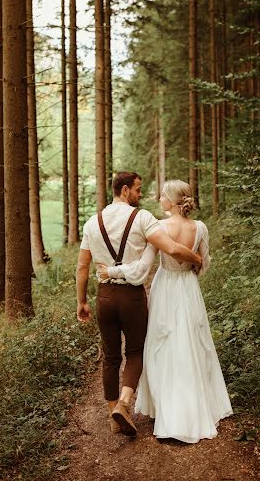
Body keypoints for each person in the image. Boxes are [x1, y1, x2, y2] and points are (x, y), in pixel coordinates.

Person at [97, 179, 233, 443]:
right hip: (188, 286)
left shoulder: (158, 227)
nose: (159, 199)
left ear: (171, 200)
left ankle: (165, 408)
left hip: (165, 285)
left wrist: (111, 271)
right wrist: (193, 265)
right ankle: (196, 404)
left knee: (160, 344)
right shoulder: (200, 228)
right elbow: (204, 265)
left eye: (162, 196)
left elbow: (143, 265)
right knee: (194, 341)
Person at [76, 171, 201, 437]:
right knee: (135, 351)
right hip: (131, 296)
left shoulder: (91, 223)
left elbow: (82, 267)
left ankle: (113, 413)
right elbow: (173, 249)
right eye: (137, 189)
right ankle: (124, 402)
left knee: (110, 356)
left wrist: (82, 301)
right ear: (124, 190)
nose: (141, 194)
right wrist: (197, 259)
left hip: (105, 297)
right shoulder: (142, 218)